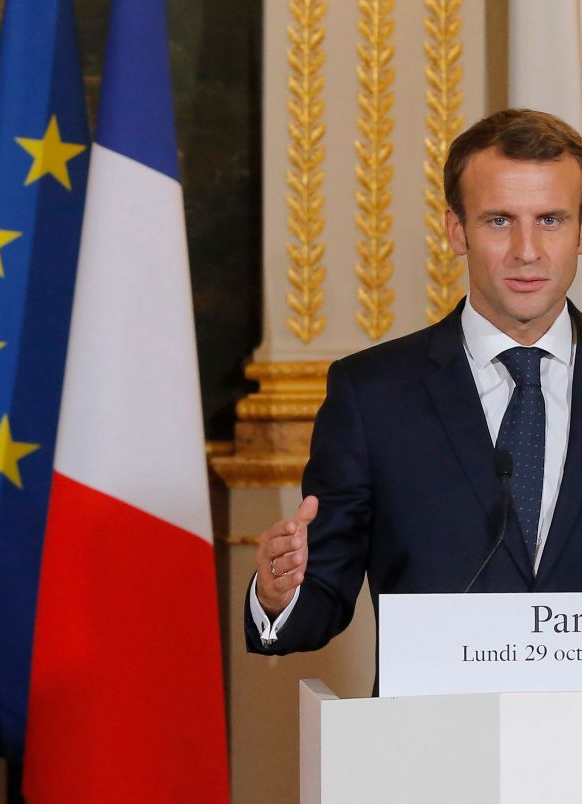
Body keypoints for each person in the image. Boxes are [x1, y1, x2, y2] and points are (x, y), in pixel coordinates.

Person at [248, 108, 582, 659]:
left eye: (551, 219)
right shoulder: (372, 394)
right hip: (434, 737)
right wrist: (278, 593)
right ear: (457, 231)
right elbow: (321, 596)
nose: (528, 250)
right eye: (499, 220)